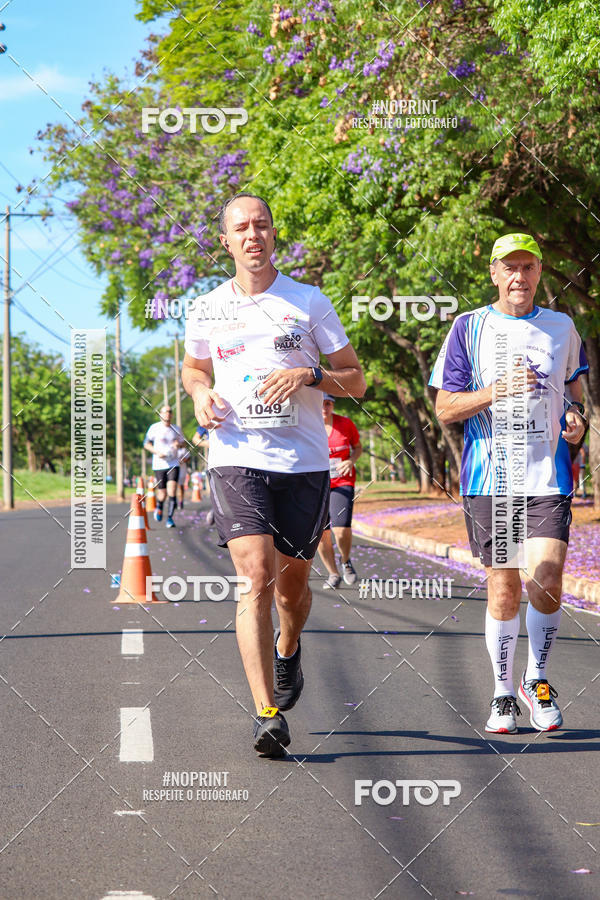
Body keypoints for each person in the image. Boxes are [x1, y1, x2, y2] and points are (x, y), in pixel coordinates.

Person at [181, 192, 366, 756]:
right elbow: (193, 369)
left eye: (261, 224)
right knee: (254, 573)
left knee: (293, 588)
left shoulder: (309, 301)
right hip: (237, 455)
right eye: (241, 227)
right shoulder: (206, 308)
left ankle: (289, 648)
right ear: (226, 240)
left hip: (303, 464)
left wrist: (308, 374)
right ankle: (266, 714)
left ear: (273, 232)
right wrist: (199, 394)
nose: (252, 235)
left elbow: (355, 381)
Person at [430, 233, 588, 734]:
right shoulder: (468, 328)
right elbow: (444, 407)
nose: (519, 277)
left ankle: (536, 680)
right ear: (495, 274)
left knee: (548, 577)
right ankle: (502, 692)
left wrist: (577, 418)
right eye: (509, 268)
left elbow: (575, 389)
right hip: (492, 477)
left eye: (528, 267)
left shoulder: (562, 327)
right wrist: (495, 391)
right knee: (504, 585)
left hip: (547, 474)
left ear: (540, 272)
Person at [317, 395, 363, 589]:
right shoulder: (309, 426)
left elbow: (358, 448)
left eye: (328, 403)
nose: (324, 407)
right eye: (320, 403)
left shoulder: (345, 424)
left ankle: (346, 562)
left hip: (342, 482)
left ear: (333, 405)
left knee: (341, 529)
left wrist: (351, 461)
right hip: (316, 485)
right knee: (321, 533)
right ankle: (333, 573)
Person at [143, 405, 185, 528]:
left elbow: (183, 443)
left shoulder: (176, 429)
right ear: (160, 414)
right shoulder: (154, 428)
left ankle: (170, 519)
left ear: (172, 415)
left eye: (170, 412)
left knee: (172, 491)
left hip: (173, 463)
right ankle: (159, 505)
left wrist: (179, 444)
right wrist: (156, 452)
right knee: (162, 493)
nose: (167, 414)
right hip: (159, 464)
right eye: (165, 412)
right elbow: (146, 444)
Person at [192, 425, 213, 523]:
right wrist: (209, 443)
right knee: (216, 485)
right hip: (215, 459)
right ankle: (216, 509)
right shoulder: (208, 419)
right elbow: (195, 439)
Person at [176, 444, 191, 510]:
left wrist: (183, 461)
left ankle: (181, 501)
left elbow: (188, 458)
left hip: (182, 470)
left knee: (180, 486)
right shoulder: (172, 448)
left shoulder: (184, 450)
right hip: (173, 469)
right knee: (173, 486)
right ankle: (173, 501)